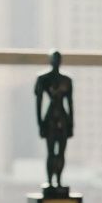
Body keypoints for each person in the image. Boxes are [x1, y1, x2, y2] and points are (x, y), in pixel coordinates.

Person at [34, 51, 73, 190]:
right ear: (50, 61)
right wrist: (40, 124)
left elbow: (70, 104)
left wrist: (71, 125)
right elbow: (38, 103)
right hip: (50, 120)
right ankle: (50, 181)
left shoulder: (67, 80)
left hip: (62, 119)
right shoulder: (43, 79)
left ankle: (59, 181)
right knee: (51, 153)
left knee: (61, 153)